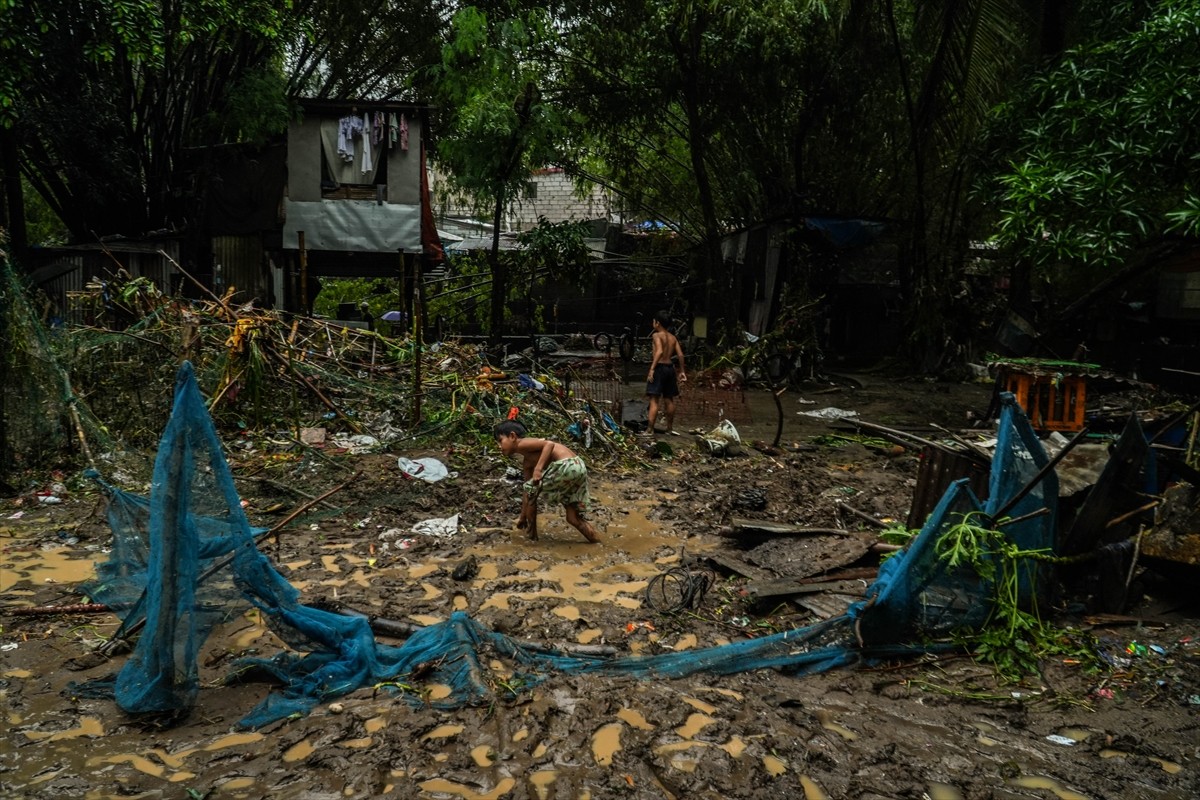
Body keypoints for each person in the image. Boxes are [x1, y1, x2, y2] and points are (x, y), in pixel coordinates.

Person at [494, 420, 601, 543]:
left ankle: (532, 537)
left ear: (512, 436)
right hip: (578, 467)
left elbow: (549, 444)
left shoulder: (522, 443)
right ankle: (597, 542)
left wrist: (538, 469)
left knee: (531, 490)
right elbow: (526, 490)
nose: (499, 446)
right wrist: (522, 516)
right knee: (573, 518)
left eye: (500, 440)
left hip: (566, 466)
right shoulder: (527, 462)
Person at [645, 310, 687, 434]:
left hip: (659, 368)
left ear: (657, 323)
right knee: (669, 398)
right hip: (670, 368)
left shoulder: (656, 336)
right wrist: (682, 371)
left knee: (654, 399)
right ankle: (669, 428)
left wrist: (652, 369)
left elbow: (659, 352)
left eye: (654, 321)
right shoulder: (673, 337)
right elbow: (680, 355)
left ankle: (649, 429)